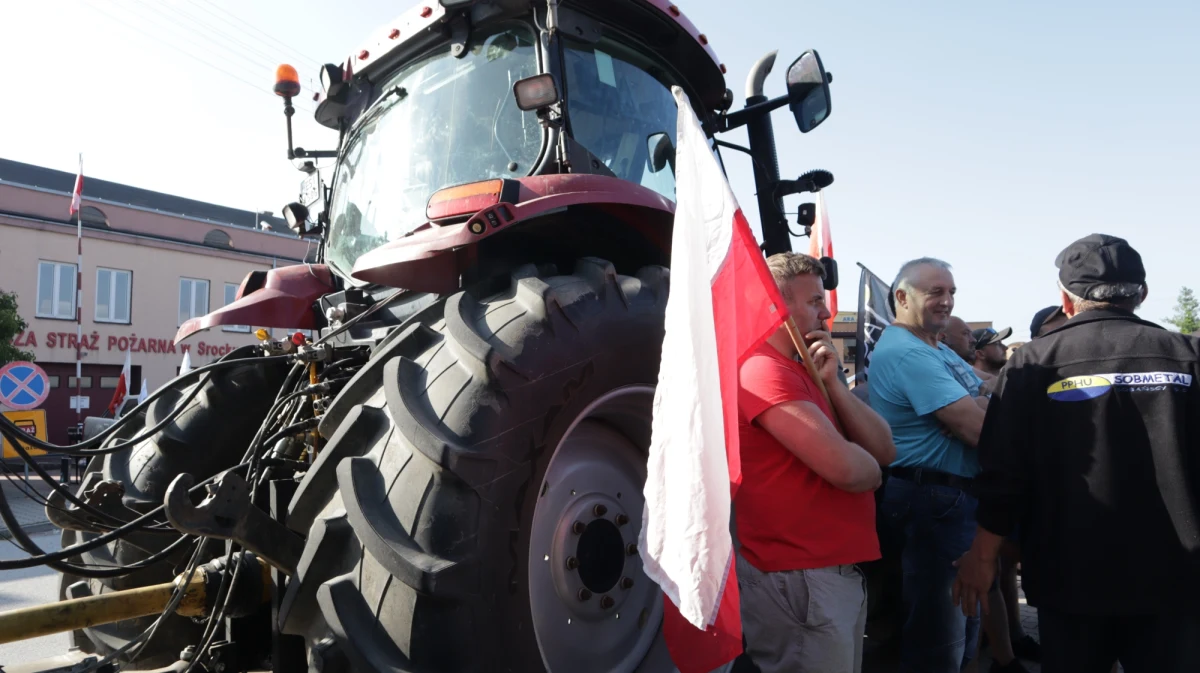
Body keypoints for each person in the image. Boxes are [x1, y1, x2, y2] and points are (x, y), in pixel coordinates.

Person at [954, 234, 1200, 673]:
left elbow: (1003, 473)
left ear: (1066, 301)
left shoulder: (1031, 365)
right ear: (1141, 294)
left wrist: (984, 555)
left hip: (1069, 579)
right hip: (1176, 579)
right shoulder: (1189, 357)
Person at [736, 252, 897, 673]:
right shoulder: (761, 370)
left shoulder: (802, 369)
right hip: (801, 578)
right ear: (775, 304)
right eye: (814, 302)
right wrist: (869, 469)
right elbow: (854, 470)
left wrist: (833, 385)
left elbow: (884, 450)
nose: (827, 312)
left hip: (825, 574)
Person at [867, 258, 993, 672]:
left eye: (952, 292)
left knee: (962, 621)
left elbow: (988, 400)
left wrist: (980, 403)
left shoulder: (932, 348)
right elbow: (979, 429)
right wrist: (976, 405)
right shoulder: (907, 352)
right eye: (935, 292)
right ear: (901, 297)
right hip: (933, 500)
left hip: (949, 497)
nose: (948, 302)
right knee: (940, 638)